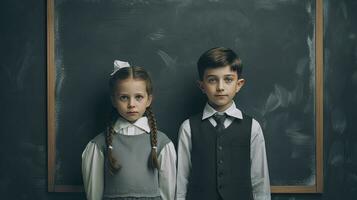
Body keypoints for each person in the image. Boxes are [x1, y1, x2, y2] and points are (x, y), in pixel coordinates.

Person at [176, 47, 270, 200]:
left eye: (228, 79)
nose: (220, 87)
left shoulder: (253, 127)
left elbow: (260, 181)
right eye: (212, 80)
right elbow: (182, 180)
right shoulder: (188, 127)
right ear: (202, 86)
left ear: (238, 84)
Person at [82, 60, 176, 200]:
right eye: (124, 97)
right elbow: (94, 195)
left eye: (138, 97)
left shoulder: (163, 144)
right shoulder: (99, 145)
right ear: (114, 100)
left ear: (149, 100)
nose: (131, 104)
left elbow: (168, 194)